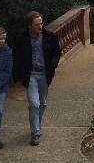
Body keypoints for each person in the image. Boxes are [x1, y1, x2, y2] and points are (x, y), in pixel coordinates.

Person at [13, 11, 62, 146]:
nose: (40, 26)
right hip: (31, 75)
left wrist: (53, 65)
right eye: (37, 24)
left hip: (44, 74)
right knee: (34, 104)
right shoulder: (22, 39)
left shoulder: (49, 36)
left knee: (43, 103)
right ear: (29, 26)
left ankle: (36, 125)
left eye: (41, 23)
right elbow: (16, 58)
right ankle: (35, 133)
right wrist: (17, 77)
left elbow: (57, 52)